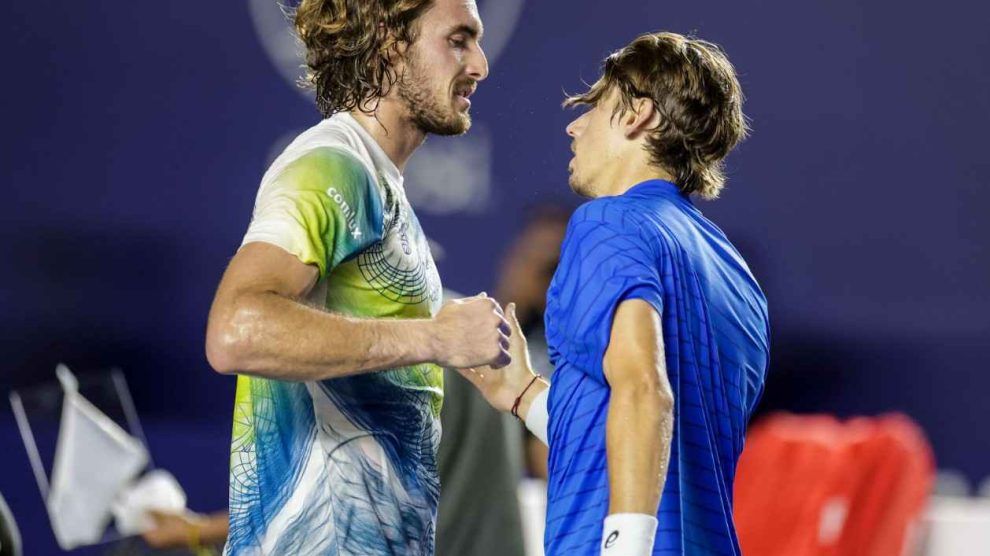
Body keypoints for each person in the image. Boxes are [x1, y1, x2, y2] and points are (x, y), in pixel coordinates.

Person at [204, 1, 511, 554]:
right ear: (391, 43)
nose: (480, 65)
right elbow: (236, 330)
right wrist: (435, 338)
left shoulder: (376, 179)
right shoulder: (333, 165)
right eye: (458, 40)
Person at [459, 32, 770, 555]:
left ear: (637, 115)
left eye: (595, 107)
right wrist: (524, 394)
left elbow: (646, 393)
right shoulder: (736, 274)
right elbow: (642, 443)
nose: (574, 126)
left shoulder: (607, 223)